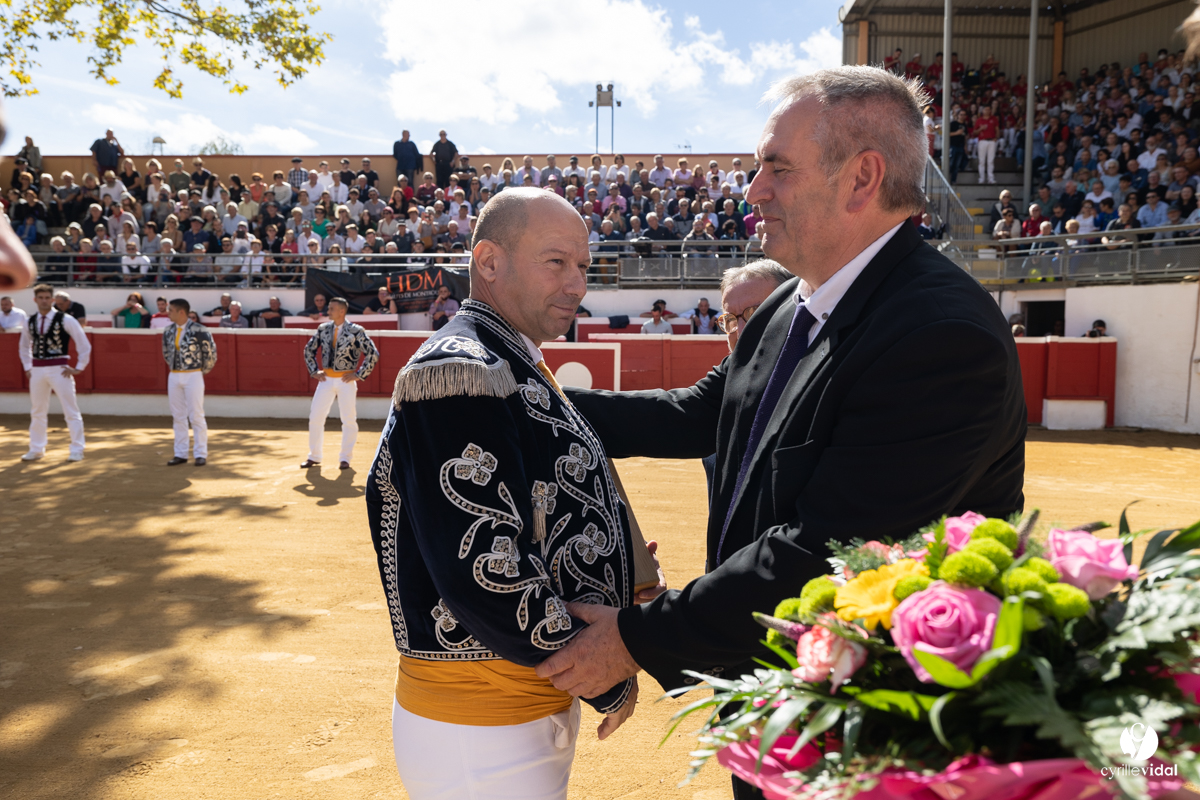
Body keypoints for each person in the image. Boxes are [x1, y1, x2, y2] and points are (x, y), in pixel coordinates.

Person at [533, 66, 1026, 800]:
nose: (753, 190)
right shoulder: (791, 301)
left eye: (777, 168)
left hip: (864, 726)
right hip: (770, 684)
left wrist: (635, 638)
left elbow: (824, 550)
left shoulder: (940, 333)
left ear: (862, 178)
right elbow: (699, 414)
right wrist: (527, 407)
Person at [365, 188, 651, 800]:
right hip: (482, 719)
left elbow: (533, 518)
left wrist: (614, 570)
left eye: (583, 265)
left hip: (511, 707)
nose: (577, 284)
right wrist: (601, 672)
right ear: (489, 262)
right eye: (556, 262)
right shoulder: (465, 368)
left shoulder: (509, 363)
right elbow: (483, 565)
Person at [301, 297, 379, 470]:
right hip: (326, 379)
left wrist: (359, 374)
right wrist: (314, 371)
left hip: (346, 380)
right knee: (315, 417)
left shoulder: (356, 331)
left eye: (331, 309)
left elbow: (372, 353)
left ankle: (345, 458)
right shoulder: (323, 329)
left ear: (342, 311)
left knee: (349, 420)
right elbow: (309, 349)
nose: (328, 312)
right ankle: (314, 456)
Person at [19, 283, 92, 461]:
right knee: (37, 410)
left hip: (59, 369)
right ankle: (36, 448)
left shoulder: (66, 319)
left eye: (47, 298)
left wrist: (79, 367)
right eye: (40, 298)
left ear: (52, 300)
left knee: (70, 410)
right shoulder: (30, 321)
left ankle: (77, 449)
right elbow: (23, 346)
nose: (44, 301)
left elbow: (84, 344)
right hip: (37, 369)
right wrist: (28, 367)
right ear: (35, 300)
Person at [162, 298, 216, 466]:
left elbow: (210, 355)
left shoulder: (200, 330)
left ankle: (200, 453)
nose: (167, 313)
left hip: (193, 374)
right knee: (178, 416)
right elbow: (166, 352)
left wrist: (199, 372)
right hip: (174, 375)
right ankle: (181, 453)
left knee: (196, 415)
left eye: (170, 310)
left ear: (181, 312)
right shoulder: (168, 330)